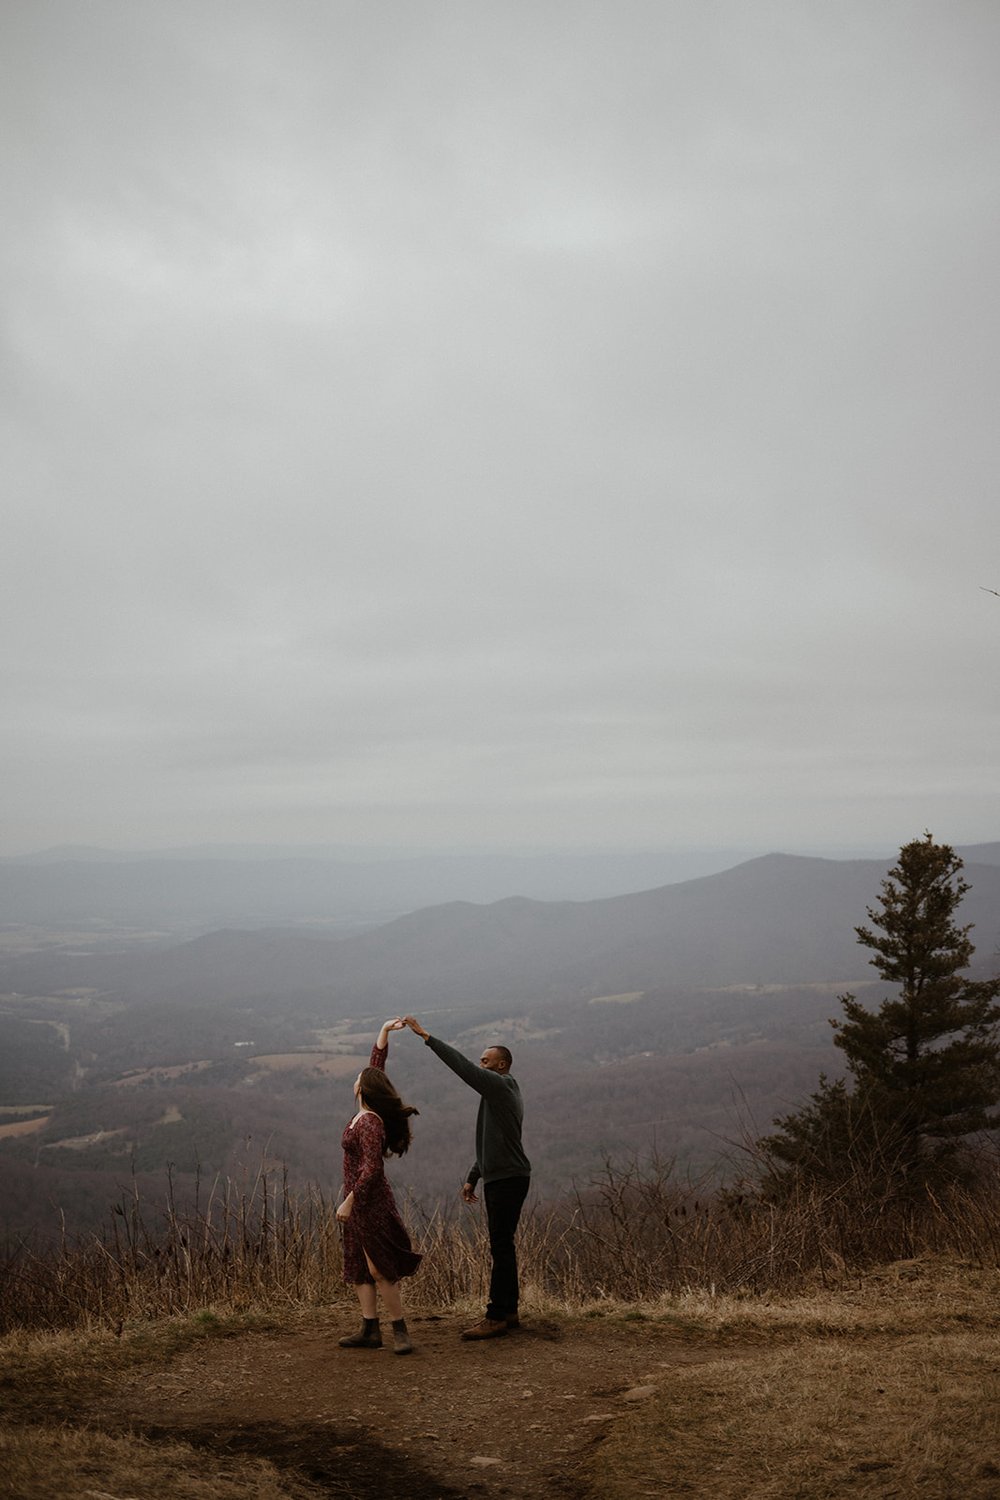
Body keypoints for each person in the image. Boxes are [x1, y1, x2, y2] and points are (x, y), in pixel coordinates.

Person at [402, 1016, 530, 1339]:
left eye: (486, 1061)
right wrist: (474, 1176)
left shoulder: (500, 1086)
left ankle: (496, 1316)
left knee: (500, 1247)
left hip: (507, 1180)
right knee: (504, 1246)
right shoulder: (501, 1092)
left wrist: (427, 1037)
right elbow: (495, 1142)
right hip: (506, 1176)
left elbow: (462, 1068)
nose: (480, 1065)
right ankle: (509, 1311)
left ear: (501, 1065)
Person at [336, 1018, 422, 1354]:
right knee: (359, 1266)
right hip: (358, 1200)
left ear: (362, 1089)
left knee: (378, 1266)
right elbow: (376, 1068)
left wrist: (349, 1201)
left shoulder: (370, 1123)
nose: (356, 1078)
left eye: (358, 1078)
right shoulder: (364, 1113)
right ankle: (369, 1330)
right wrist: (384, 1033)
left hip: (369, 1201)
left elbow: (372, 1168)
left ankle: (400, 1330)